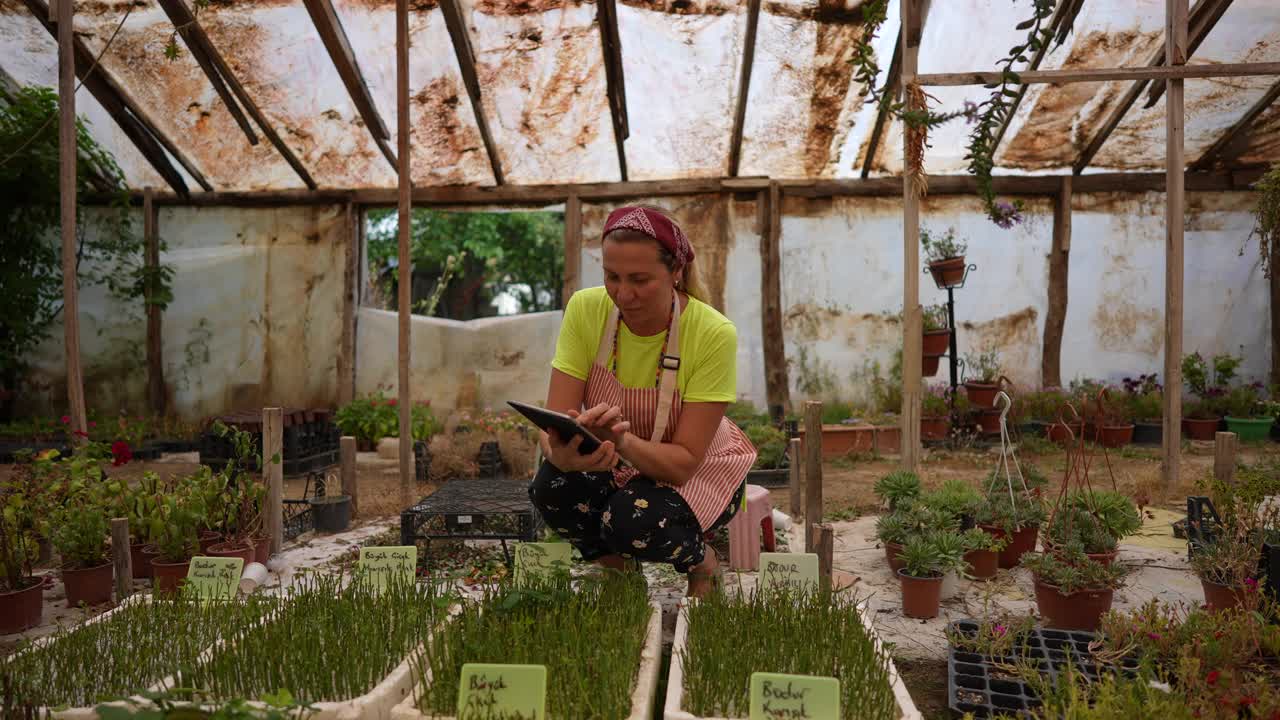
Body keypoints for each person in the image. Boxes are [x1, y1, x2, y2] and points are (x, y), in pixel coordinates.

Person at [528, 205, 757, 598]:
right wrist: (558, 454)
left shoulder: (712, 332)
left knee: (632, 522)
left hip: (696, 470)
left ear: (676, 272)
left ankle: (702, 562)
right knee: (551, 489)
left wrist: (623, 442)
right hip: (615, 460)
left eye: (640, 280)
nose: (623, 294)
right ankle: (619, 575)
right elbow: (554, 424)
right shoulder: (586, 309)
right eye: (611, 277)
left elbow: (684, 463)